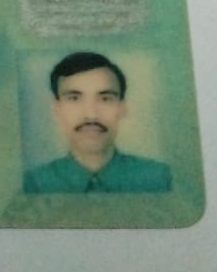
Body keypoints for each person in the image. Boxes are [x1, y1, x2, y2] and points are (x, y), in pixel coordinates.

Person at [24, 51, 171, 193]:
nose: (91, 115)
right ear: (56, 109)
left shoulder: (161, 180)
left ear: (122, 108)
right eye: (74, 98)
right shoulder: (33, 184)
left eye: (105, 99)